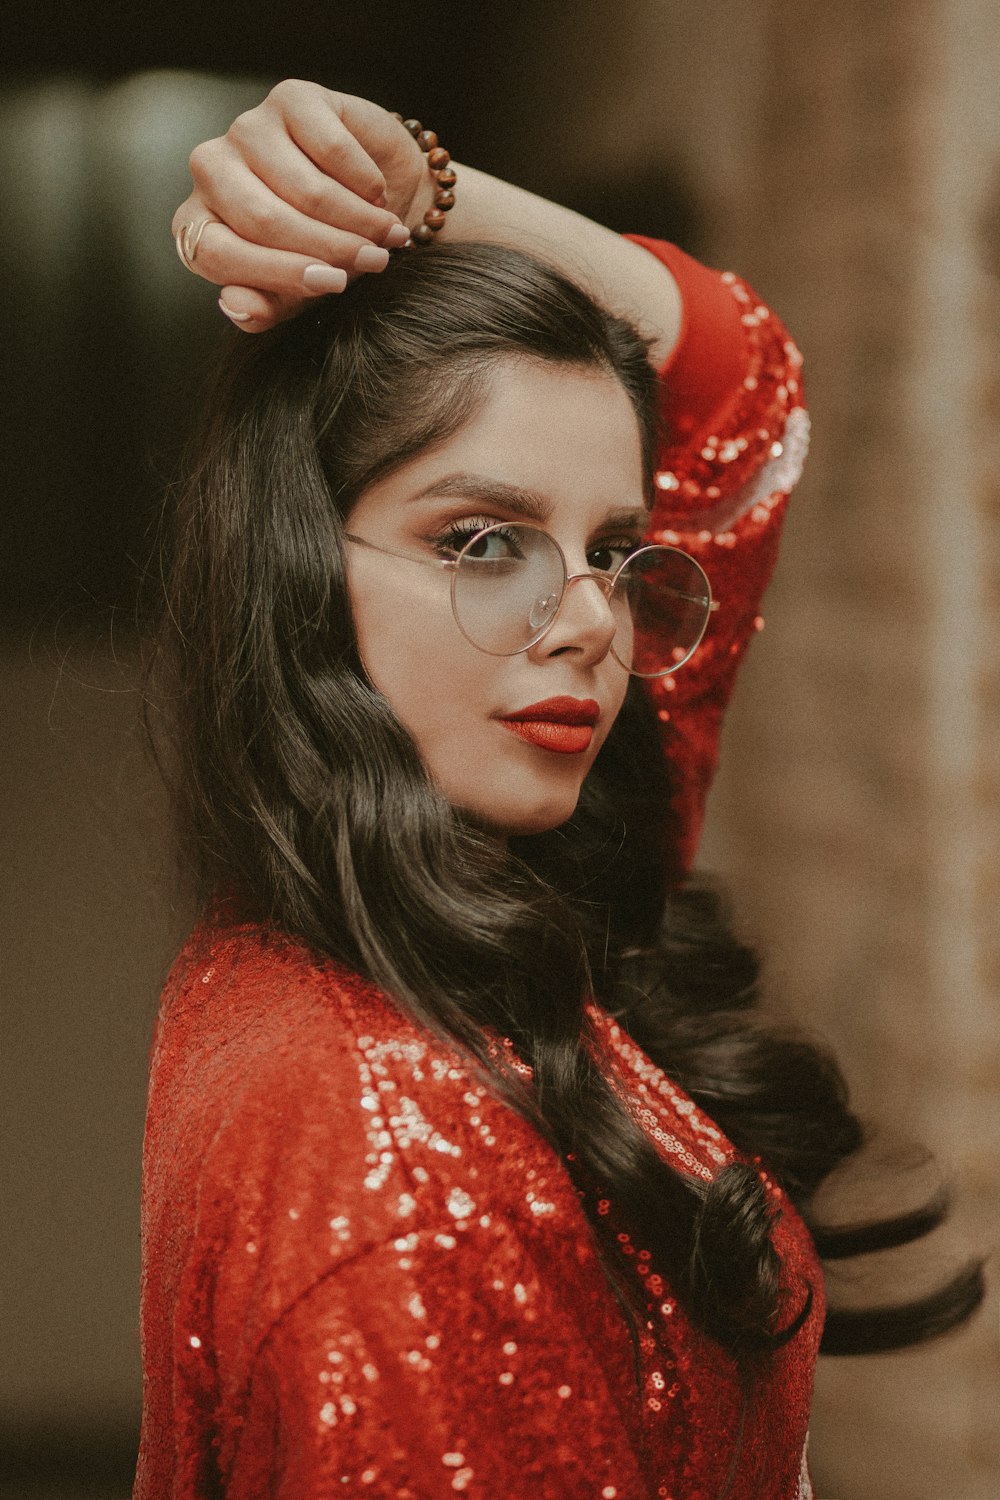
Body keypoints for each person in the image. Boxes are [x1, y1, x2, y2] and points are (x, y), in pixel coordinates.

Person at [138, 83, 981, 1499]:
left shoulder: (451, 875)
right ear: (293, 574)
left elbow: (742, 389)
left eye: (612, 547)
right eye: (482, 542)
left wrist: (424, 195)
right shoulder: (396, 1175)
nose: (587, 620)